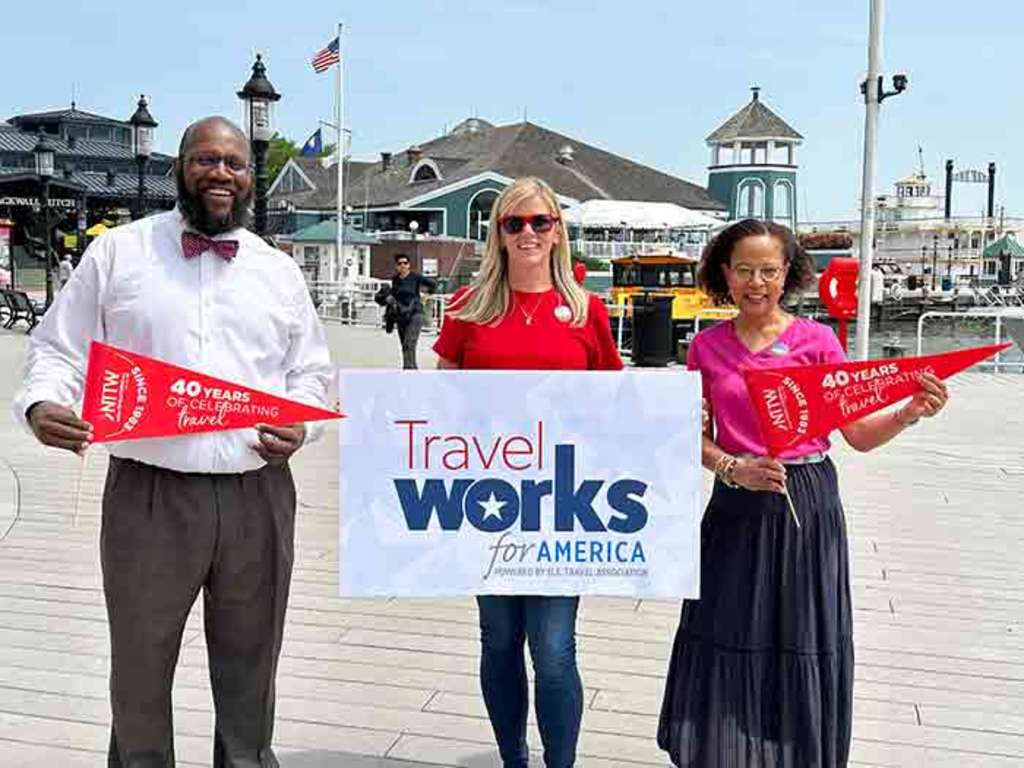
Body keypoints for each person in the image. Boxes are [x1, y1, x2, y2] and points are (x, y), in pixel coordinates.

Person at [13, 116, 333, 768]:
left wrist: (305, 423)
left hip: (258, 491)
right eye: (206, 159)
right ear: (178, 169)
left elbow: (313, 373)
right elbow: (58, 351)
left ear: (250, 178)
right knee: (140, 664)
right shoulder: (118, 255)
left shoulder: (277, 272)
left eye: (235, 163)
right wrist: (43, 403)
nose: (221, 172)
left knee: (252, 665)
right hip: (149, 494)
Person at [657, 219, 950, 767]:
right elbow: (687, 435)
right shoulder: (705, 347)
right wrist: (729, 466)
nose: (756, 282)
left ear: (787, 274)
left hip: (807, 502)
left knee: (802, 631)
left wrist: (909, 413)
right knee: (727, 626)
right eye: (744, 270)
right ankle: (724, 753)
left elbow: (858, 436)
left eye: (768, 270)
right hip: (736, 502)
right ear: (725, 273)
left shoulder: (817, 341)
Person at [434, 177, 623, 767]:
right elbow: (439, 398)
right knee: (498, 639)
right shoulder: (469, 307)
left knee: (554, 648)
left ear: (558, 230)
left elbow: (615, 401)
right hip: (486, 498)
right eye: (513, 224)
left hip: (562, 501)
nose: (528, 233)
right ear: (497, 234)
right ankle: (512, 758)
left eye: (540, 222)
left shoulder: (586, 312)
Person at [390, 252, 437, 369]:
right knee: (404, 345)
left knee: (409, 343)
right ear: (396, 266)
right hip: (401, 314)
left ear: (409, 265)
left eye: (405, 263)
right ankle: (411, 368)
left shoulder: (415, 277)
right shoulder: (395, 279)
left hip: (415, 313)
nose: (403, 266)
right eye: (400, 263)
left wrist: (425, 296)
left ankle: (408, 370)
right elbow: (395, 294)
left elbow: (433, 285)